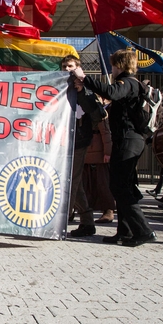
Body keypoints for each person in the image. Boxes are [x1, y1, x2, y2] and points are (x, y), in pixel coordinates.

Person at [74, 49, 157, 246]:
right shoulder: (132, 83)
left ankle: (143, 230)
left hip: (129, 140)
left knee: (120, 187)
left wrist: (84, 78)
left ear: (119, 65)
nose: (111, 69)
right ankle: (125, 232)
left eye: (113, 65)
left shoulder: (127, 82)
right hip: (129, 140)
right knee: (121, 186)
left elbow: (112, 93)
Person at [63, 55, 105, 238]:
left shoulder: (86, 88)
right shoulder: (60, 86)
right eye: (64, 66)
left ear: (78, 68)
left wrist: (81, 92)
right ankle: (87, 221)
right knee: (75, 181)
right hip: (61, 141)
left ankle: (61, 220)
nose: (67, 69)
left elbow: (97, 114)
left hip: (79, 141)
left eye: (70, 66)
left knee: (72, 179)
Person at [82, 96, 115, 224]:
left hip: (98, 152)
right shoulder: (83, 110)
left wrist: (107, 152)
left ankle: (108, 210)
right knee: (86, 184)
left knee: (102, 183)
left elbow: (106, 133)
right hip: (86, 151)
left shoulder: (99, 112)